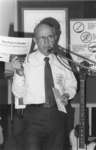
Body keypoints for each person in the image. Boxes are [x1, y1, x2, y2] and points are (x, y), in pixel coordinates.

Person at [11, 17, 77, 150]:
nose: (47, 41)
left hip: (57, 115)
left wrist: (66, 94)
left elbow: (72, 83)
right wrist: (19, 72)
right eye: (42, 38)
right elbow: (18, 93)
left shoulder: (62, 60)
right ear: (35, 40)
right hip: (33, 118)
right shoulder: (26, 61)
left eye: (50, 37)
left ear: (55, 37)